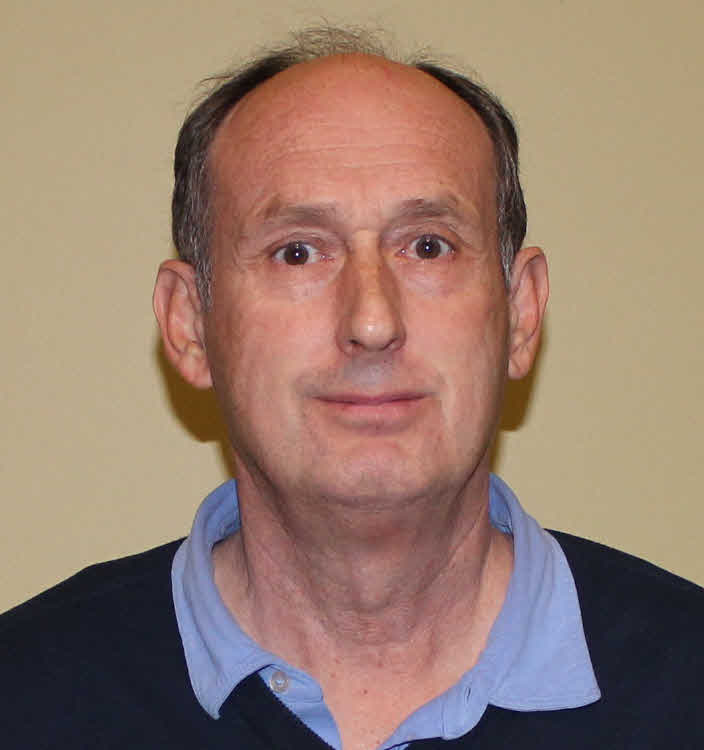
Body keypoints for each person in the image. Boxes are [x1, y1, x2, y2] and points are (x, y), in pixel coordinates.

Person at [2, 27, 702, 750]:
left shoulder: (687, 685)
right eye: (297, 253)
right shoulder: (23, 698)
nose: (372, 322)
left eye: (427, 246)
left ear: (521, 313)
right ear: (190, 325)